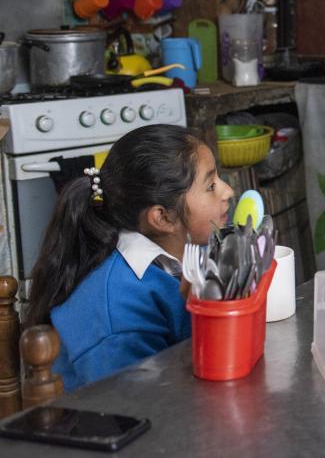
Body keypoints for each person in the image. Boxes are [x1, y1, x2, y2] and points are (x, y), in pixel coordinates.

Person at [25, 124, 234, 390]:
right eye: (211, 185)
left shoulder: (184, 253)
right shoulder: (120, 318)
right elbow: (137, 410)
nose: (227, 191)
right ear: (163, 217)